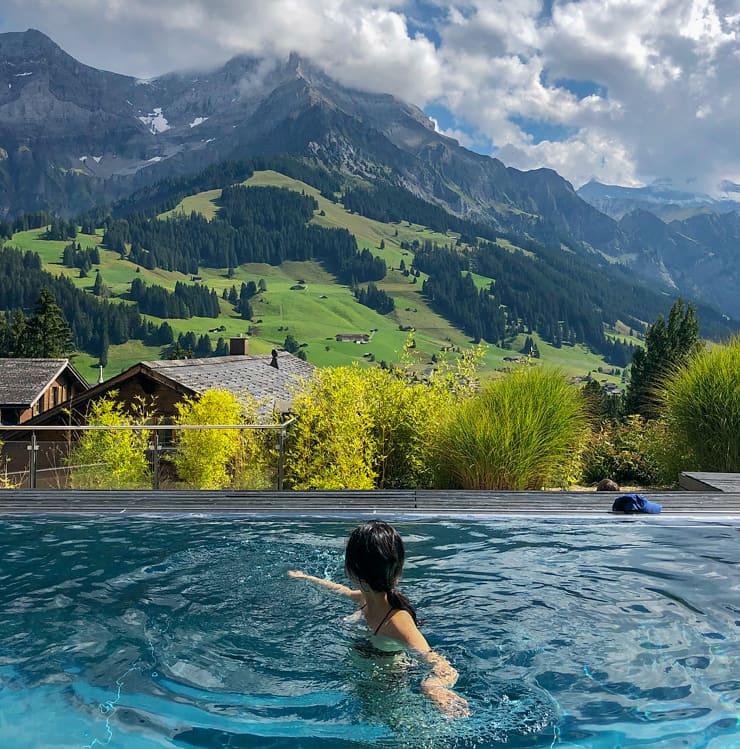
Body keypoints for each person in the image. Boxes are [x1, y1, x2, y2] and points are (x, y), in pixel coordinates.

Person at [288, 520, 469, 718]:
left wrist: (433, 687)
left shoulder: (396, 621)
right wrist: (307, 578)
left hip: (391, 700)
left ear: (352, 570)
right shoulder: (366, 598)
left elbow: (441, 665)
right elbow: (343, 591)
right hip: (367, 688)